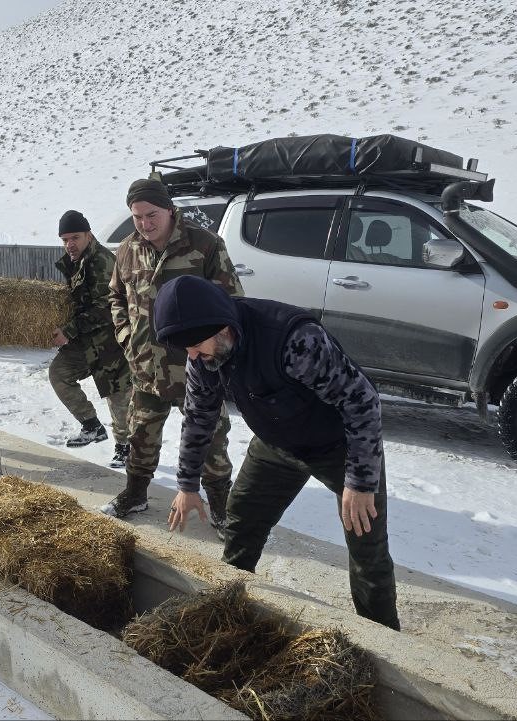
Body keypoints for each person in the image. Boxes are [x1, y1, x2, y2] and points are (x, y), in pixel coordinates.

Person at [154, 274, 400, 630]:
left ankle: (387, 644)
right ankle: (229, 608)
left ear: (223, 327)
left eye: (195, 346)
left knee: (367, 548)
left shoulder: (293, 340)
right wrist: (187, 484)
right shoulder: (204, 356)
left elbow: (361, 401)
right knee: (242, 518)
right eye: (185, 350)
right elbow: (198, 418)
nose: (192, 356)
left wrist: (361, 482)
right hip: (277, 442)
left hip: (339, 447)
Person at [103, 178, 242, 522]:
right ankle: (135, 494)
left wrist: (217, 352)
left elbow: (231, 303)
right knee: (141, 436)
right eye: (137, 217)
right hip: (146, 368)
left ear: (169, 208)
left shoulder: (205, 245)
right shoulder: (126, 250)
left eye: (151, 215)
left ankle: (222, 508)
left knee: (210, 438)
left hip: (195, 367)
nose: (145, 224)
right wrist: (126, 337)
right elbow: (116, 297)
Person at [48, 210, 132, 467]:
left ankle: (125, 447)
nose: (69, 244)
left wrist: (69, 331)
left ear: (88, 235)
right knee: (59, 373)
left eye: (74, 237)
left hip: (109, 341)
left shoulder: (102, 261)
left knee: (117, 395)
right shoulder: (76, 261)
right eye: (64, 239)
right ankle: (91, 425)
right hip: (85, 341)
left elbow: (106, 307)